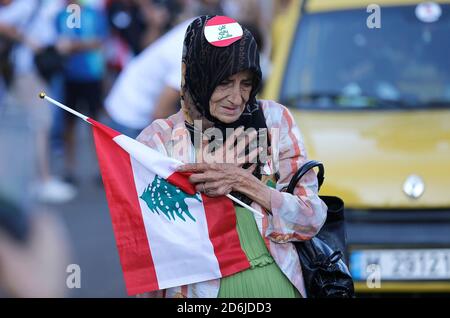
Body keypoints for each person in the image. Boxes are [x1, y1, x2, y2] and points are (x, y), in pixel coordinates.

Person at [136, 16, 327, 298]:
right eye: (224, 82)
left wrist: (246, 182)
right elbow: (147, 249)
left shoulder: (275, 121)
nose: (236, 98)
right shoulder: (158, 141)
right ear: (197, 74)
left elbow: (311, 218)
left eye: (246, 83)